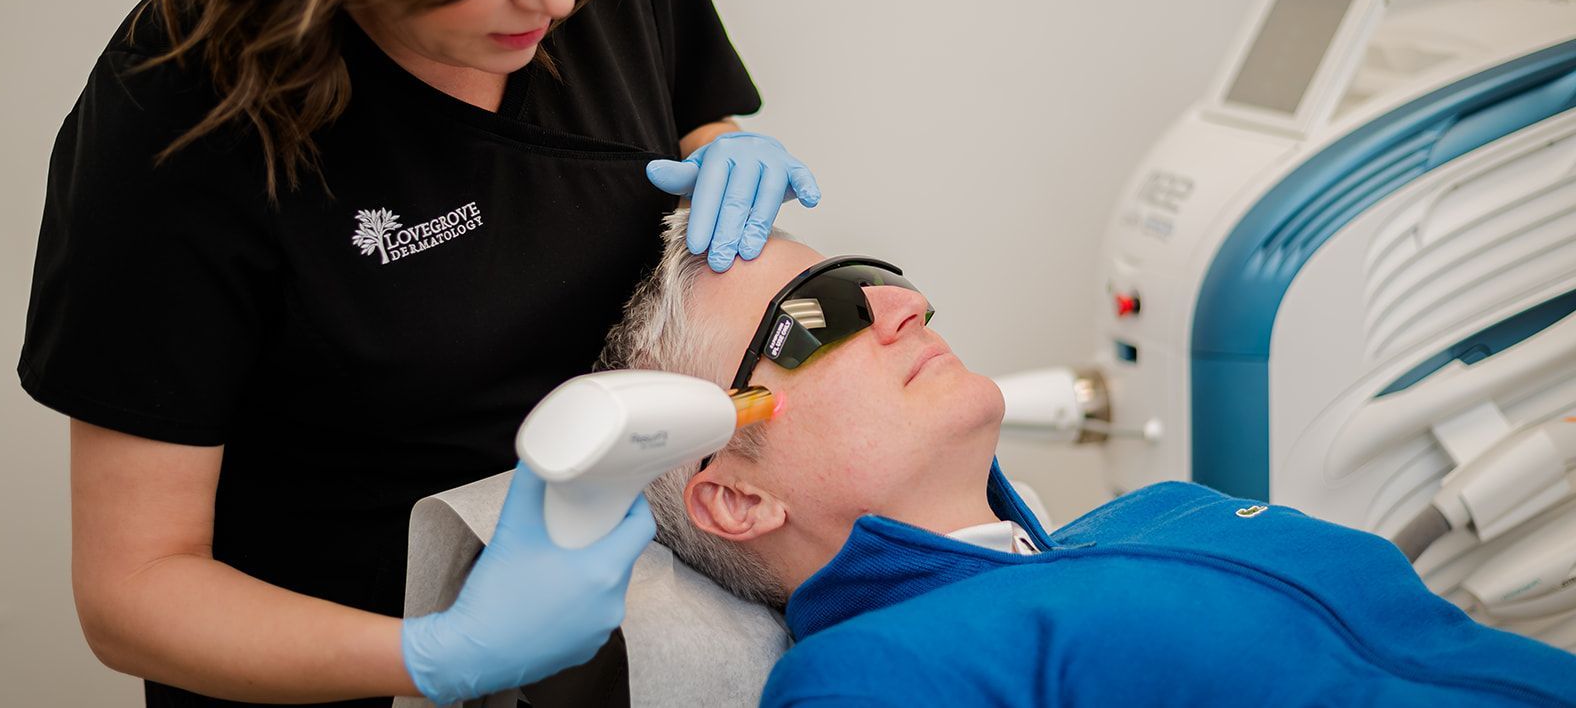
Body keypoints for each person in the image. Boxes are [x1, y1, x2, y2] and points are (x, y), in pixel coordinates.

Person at [16, 0, 819, 706]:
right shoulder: (180, 120)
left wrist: (725, 157)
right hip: (335, 664)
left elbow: (689, 118)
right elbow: (134, 592)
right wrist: (433, 658)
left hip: (642, 631)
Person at [599, 212, 1576, 707]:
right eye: (818, 317)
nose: (904, 306)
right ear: (736, 497)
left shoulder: (1161, 510)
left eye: (874, 281)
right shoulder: (870, 673)